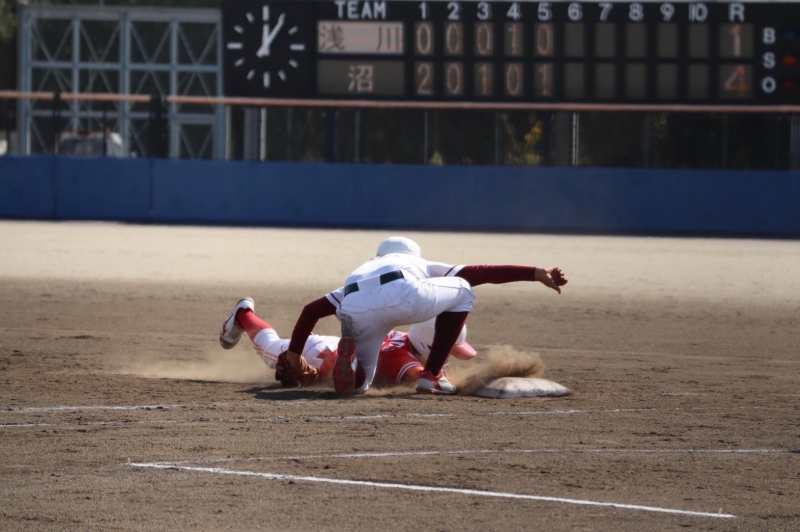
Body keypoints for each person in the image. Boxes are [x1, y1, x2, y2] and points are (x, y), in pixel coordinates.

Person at [280, 236, 567, 397]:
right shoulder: (417, 263)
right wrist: (534, 273)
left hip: (354, 302)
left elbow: (310, 311)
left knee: (361, 385)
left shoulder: (366, 268)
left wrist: (293, 358)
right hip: (401, 291)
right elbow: (480, 272)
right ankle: (432, 375)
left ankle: (353, 369)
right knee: (464, 290)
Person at [218, 299, 476, 388]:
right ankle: (243, 314)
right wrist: (474, 384)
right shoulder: (403, 360)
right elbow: (426, 380)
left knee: (273, 345)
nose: (448, 357)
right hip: (317, 354)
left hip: (334, 346)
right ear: (430, 345)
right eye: (448, 351)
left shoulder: (408, 339)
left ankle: (244, 315)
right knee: (269, 347)